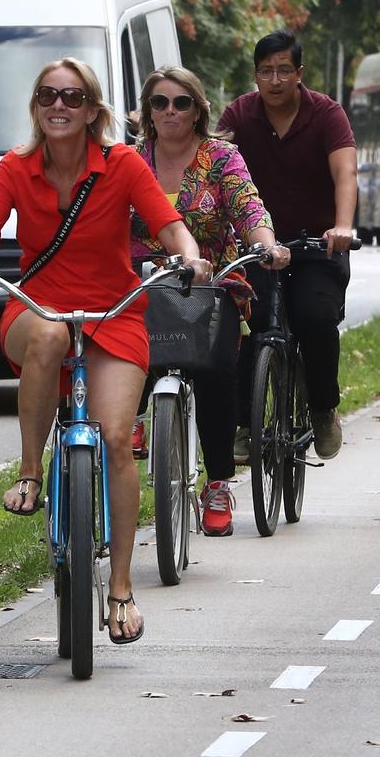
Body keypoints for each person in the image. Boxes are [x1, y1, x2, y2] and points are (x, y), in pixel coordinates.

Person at [0, 58, 210, 645]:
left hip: (114, 314)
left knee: (117, 439)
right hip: (37, 309)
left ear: (93, 110)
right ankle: (31, 473)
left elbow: (168, 226)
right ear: (36, 106)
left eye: (72, 96)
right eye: (46, 96)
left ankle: (119, 588)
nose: (57, 106)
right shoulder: (15, 167)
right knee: (48, 334)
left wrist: (189, 255)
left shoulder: (121, 166)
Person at [132, 65, 288, 536]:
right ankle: (133, 415)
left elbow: (248, 206)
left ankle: (218, 482)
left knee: (217, 370)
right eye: (160, 102)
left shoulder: (222, 158)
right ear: (148, 111)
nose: (171, 111)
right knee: (119, 347)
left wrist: (266, 244)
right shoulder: (129, 159)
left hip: (211, 285)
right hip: (137, 285)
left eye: (182, 102)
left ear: (199, 108)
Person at [215, 30, 357, 461]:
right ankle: (246, 421)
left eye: (283, 71)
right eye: (265, 72)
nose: (274, 81)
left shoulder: (327, 115)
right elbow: (210, 158)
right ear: (255, 75)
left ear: (299, 74)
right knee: (252, 321)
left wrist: (342, 227)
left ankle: (321, 408)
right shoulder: (240, 114)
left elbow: (345, 174)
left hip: (317, 246)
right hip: (259, 245)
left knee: (314, 317)